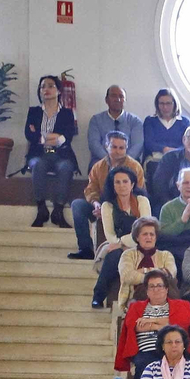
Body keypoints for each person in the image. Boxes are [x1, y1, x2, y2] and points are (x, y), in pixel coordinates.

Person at [70, 130, 145, 259]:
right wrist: (96, 204)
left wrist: (108, 210)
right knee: (77, 205)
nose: (118, 151)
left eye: (121, 148)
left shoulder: (135, 166)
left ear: (126, 148)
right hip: (101, 204)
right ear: (106, 146)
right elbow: (91, 188)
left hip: (125, 207)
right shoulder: (98, 166)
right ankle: (85, 248)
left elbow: (138, 192)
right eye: (114, 147)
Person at [118, 274, 190, 379]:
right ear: (147, 291)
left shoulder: (181, 305)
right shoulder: (136, 307)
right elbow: (136, 326)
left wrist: (150, 321)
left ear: (166, 289)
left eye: (159, 285)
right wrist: (161, 326)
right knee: (143, 365)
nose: (156, 289)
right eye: (152, 286)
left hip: (175, 348)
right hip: (147, 349)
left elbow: (182, 323)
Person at [26, 74, 80, 227]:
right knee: (38, 165)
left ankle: (58, 211)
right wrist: (52, 138)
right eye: (43, 86)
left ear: (59, 91)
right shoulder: (34, 112)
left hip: (61, 154)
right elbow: (29, 134)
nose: (46, 89)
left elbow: (67, 137)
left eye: (50, 86)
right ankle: (41, 209)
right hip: (39, 154)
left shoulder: (67, 113)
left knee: (66, 167)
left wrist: (42, 136)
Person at [84, 85, 146, 171]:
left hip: (129, 162)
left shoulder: (135, 121)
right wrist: (110, 161)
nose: (118, 99)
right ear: (106, 100)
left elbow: (137, 145)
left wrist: (124, 161)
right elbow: (94, 144)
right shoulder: (96, 120)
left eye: (121, 96)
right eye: (114, 96)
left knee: (134, 170)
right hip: (101, 161)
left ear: (125, 100)